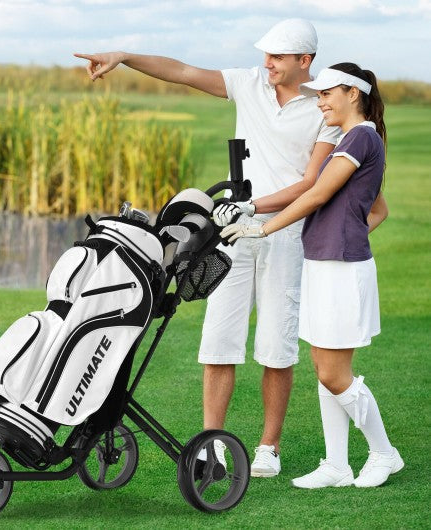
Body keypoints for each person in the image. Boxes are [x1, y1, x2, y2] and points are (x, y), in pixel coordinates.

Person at [74, 18, 340, 477]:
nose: (267, 63)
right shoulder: (249, 83)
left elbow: (311, 182)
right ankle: (211, 444)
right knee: (218, 341)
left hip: (284, 233)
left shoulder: (323, 106)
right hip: (231, 233)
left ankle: (269, 448)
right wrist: (124, 57)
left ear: (305, 60)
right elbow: (182, 72)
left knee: (276, 346)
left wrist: (253, 207)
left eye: (278, 56)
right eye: (266, 54)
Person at [221, 63, 404, 488]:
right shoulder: (350, 139)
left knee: (333, 374)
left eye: (326, 94)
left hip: (342, 270)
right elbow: (378, 210)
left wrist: (260, 225)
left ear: (353, 94)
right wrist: (345, 232)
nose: (319, 102)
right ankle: (336, 465)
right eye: (317, 95)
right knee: (324, 367)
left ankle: (384, 453)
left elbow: (318, 193)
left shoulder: (361, 137)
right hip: (323, 264)